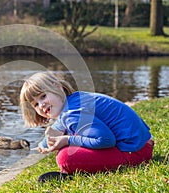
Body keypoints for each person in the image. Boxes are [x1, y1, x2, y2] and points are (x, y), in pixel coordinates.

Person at [20, 71, 154, 181]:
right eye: (36, 104)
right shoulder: (73, 101)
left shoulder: (72, 114)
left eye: (43, 96)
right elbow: (58, 127)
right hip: (141, 143)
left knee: (65, 157)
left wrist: (67, 140)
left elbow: (106, 140)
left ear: (57, 87)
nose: (41, 105)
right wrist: (44, 144)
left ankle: (73, 171)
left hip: (133, 152)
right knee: (73, 137)